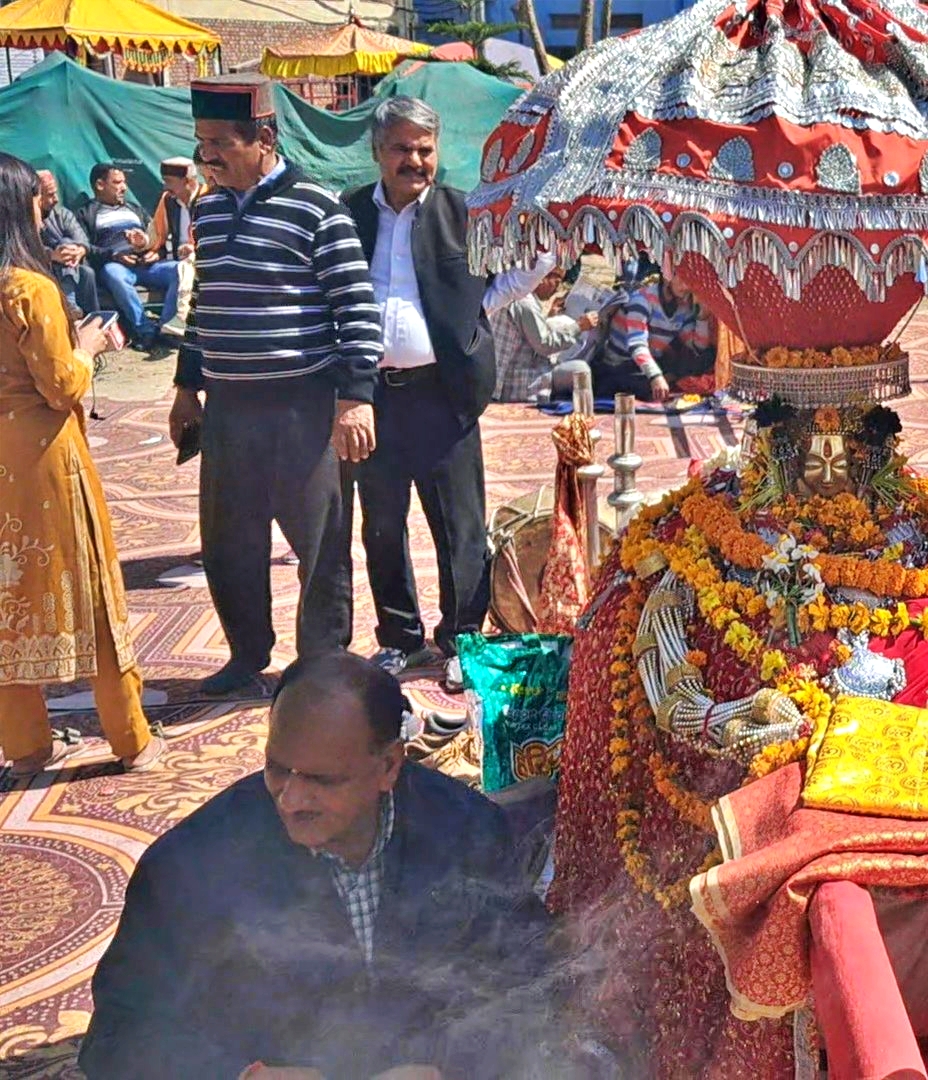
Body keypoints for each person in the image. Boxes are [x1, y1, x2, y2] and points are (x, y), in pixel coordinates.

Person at [79, 652, 558, 1080]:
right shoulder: (190, 866)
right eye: (277, 769)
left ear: (390, 765)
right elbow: (119, 1035)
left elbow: (530, 977)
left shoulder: (465, 830)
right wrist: (241, 1075)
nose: (291, 799)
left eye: (323, 781)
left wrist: (452, 1066)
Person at [170, 74, 377, 697]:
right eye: (201, 143)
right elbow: (203, 304)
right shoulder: (205, 207)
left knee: (320, 541)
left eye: (218, 145)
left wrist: (355, 398)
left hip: (304, 406)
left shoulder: (317, 207)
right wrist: (187, 388)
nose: (205, 157)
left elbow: (356, 310)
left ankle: (320, 658)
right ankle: (245, 653)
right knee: (228, 536)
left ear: (262, 138)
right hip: (231, 406)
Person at [343, 96, 545, 687]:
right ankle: (399, 639)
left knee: (458, 523)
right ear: (379, 152)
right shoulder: (351, 212)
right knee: (381, 523)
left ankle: (462, 638)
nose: (415, 160)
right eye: (402, 148)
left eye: (424, 149)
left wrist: (476, 310)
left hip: (444, 395)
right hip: (372, 399)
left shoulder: (466, 212)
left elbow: (528, 265)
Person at [0, 151, 164, 779]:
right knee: (89, 590)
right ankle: (131, 739)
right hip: (45, 460)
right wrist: (89, 344)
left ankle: (25, 745)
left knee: (9, 599)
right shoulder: (28, 290)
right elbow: (62, 384)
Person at [80, 162, 179, 349]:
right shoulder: (88, 213)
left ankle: (167, 328)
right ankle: (145, 331)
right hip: (117, 266)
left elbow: (156, 236)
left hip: (147, 264)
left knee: (180, 269)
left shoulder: (135, 209)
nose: (124, 188)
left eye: (124, 182)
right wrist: (114, 255)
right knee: (113, 274)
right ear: (100, 185)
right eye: (117, 183)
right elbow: (85, 247)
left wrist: (155, 253)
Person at [595, 272, 714, 401]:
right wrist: (656, 376)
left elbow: (697, 348)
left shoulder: (683, 306)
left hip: (650, 364)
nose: (686, 286)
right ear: (667, 276)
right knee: (642, 385)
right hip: (621, 365)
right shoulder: (641, 300)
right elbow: (637, 346)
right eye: (681, 278)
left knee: (707, 357)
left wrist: (703, 317)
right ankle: (665, 381)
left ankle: (668, 379)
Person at [494, 263, 597, 403]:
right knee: (580, 370)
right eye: (558, 281)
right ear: (542, 277)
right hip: (523, 380)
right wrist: (579, 327)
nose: (557, 288)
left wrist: (551, 317)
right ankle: (583, 415)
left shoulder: (518, 295)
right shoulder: (525, 302)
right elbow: (544, 344)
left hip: (527, 370)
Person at [149, 157, 203, 338]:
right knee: (179, 268)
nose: (165, 187)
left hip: (201, 261)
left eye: (169, 182)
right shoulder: (168, 200)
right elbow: (156, 235)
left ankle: (178, 320)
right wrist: (142, 243)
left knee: (186, 266)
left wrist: (194, 248)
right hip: (171, 262)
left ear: (188, 181)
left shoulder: (209, 198)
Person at [36, 170, 99, 315]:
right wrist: (52, 255)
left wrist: (78, 251)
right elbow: (25, 247)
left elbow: (82, 240)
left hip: (72, 266)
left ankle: (93, 318)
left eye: (56, 193)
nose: (56, 199)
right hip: (42, 266)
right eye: (50, 195)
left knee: (87, 272)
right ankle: (70, 304)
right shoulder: (25, 219)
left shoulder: (62, 214)